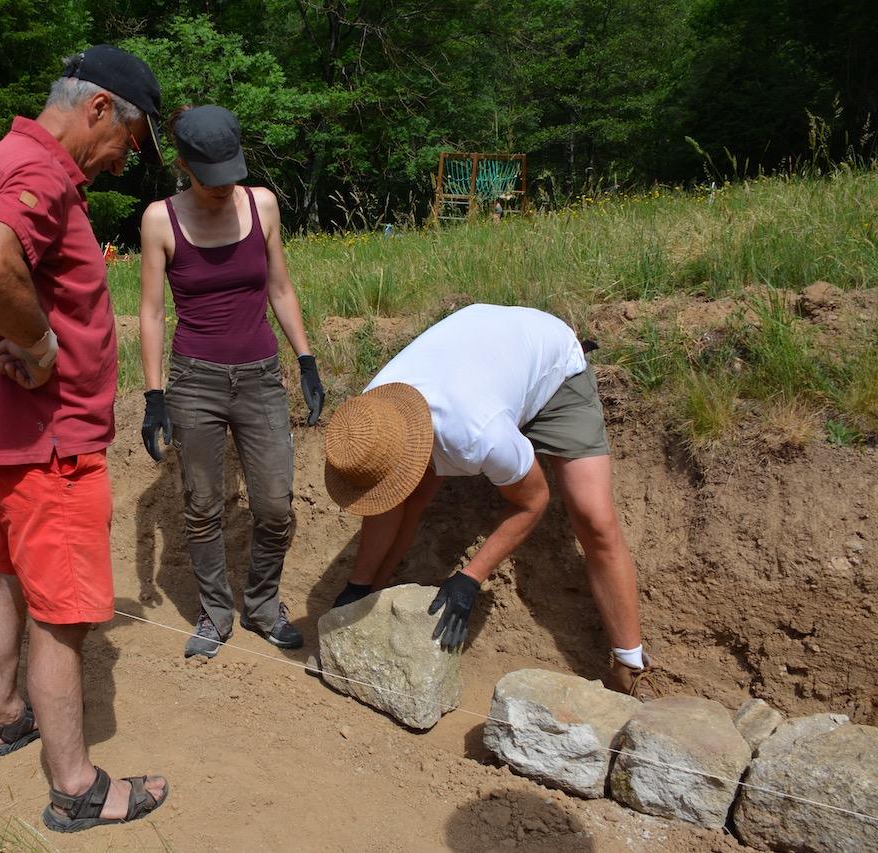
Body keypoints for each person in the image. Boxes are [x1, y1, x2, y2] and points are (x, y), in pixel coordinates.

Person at [0, 45, 169, 832]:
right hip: (50, 443)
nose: (126, 160)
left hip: (5, 438)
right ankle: (76, 785)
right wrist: (38, 346)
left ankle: (3, 715)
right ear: (99, 109)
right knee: (63, 612)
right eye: (128, 140)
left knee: (9, 573)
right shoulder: (45, 176)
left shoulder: (6, 157)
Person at [322, 304, 655, 697]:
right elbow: (395, 503)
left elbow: (533, 502)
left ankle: (629, 663)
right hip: (485, 370)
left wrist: (470, 577)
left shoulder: (475, 434)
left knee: (593, 517)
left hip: (553, 369)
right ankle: (371, 588)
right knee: (408, 497)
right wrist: (360, 590)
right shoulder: (372, 416)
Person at [138, 105, 325, 659]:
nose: (224, 188)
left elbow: (281, 289)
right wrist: (154, 396)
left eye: (230, 174)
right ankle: (217, 612)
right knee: (201, 506)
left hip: (261, 376)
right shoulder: (159, 220)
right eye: (209, 178)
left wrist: (306, 359)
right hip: (195, 380)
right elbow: (151, 312)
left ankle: (263, 605)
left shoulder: (262, 204)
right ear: (184, 165)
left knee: (275, 506)